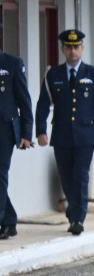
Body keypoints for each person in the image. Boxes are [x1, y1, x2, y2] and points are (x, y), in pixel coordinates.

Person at [35, 29, 94, 235]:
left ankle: (78, 218)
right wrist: (41, 130)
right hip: (61, 136)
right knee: (67, 178)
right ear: (63, 49)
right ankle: (74, 211)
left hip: (85, 136)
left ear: (82, 48)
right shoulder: (53, 74)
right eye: (69, 47)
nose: (73, 51)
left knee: (80, 176)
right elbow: (43, 104)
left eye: (76, 47)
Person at [0, 41, 33, 240]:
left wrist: (27, 133)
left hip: (4, 130)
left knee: (0, 173)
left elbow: (24, 100)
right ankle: (10, 220)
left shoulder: (12, 63)